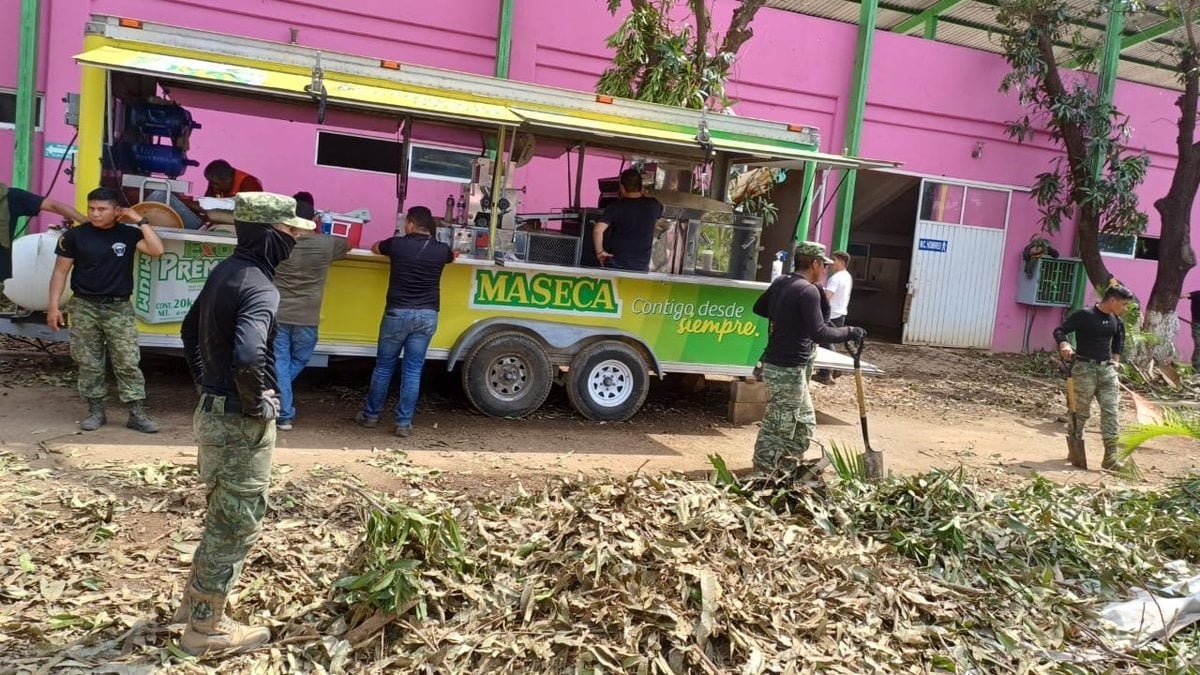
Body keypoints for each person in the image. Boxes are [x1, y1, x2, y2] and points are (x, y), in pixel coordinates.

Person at [177, 192, 313, 657]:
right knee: (236, 524)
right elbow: (250, 354)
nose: (296, 239)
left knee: (221, 512)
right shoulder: (260, 286)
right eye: (291, 232)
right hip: (238, 422)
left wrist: (208, 386)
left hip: (214, 412)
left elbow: (187, 329)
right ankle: (205, 628)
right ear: (270, 233)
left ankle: (192, 602)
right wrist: (257, 404)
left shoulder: (226, 272)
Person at [46, 188, 165, 433]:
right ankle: (96, 411)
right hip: (83, 306)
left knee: (128, 361)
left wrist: (140, 220)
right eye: (92, 209)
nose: (95, 214)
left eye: (102, 209)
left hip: (118, 307)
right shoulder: (74, 236)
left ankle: (136, 413)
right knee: (88, 361)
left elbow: (157, 250)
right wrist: (53, 307)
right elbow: (60, 272)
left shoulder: (128, 234)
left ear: (116, 210)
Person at [751, 241, 865, 473]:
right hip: (786, 366)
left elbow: (760, 308)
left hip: (791, 365)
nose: (824, 270)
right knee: (779, 424)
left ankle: (787, 466)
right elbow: (820, 332)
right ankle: (762, 471)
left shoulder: (783, 282)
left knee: (804, 422)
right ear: (813, 263)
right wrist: (850, 332)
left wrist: (789, 318)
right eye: (823, 265)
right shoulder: (808, 290)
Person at [355, 206, 454, 437]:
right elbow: (452, 256)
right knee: (412, 371)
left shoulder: (397, 244)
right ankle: (403, 423)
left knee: (384, 367)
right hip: (427, 316)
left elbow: (374, 247)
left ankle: (370, 416)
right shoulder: (442, 250)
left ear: (410, 223)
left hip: (397, 314)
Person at [272, 193, 349, 430]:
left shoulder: (276, 240)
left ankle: (278, 397)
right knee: (300, 359)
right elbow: (349, 245)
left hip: (279, 313)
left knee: (280, 363)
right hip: (307, 317)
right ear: (314, 218)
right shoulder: (326, 243)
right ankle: (284, 413)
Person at [1054, 283, 1134, 471]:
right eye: (1123, 304)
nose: (1125, 308)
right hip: (1084, 369)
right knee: (1078, 413)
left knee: (1111, 413)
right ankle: (1075, 448)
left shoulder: (1116, 320)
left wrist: (1115, 362)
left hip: (1107, 372)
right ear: (1112, 300)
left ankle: (1111, 458)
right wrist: (1064, 344)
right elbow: (1059, 330)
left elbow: (1118, 342)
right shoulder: (1085, 315)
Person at [1, 183, 89, 282]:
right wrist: (84, 220)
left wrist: (85, 220)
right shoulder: (11, 196)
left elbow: (53, 206)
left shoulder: (12, 197)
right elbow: (53, 206)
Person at [592, 168, 663, 272]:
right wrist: (644, 195)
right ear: (641, 187)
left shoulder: (615, 207)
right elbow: (660, 212)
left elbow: (597, 231)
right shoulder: (652, 205)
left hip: (616, 263)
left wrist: (600, 252)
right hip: (640, 267)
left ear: (622, 187)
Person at [814, 250, 854, 385]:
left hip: (832, 314)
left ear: (841, 263)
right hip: (840, 313)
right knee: (827, 342)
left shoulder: (836, 278)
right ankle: (832, 369)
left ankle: (828, 371)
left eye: (834, 260)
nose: (831, 263)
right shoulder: (847, 276)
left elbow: (827, 297)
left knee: (826, 341)